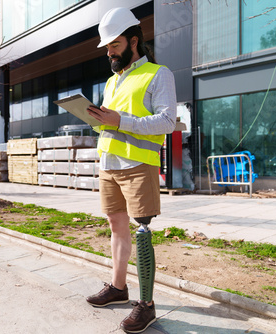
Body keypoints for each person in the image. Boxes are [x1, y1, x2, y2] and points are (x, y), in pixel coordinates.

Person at [85, 7, 176, 333]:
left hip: (138, 165)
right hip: (109, 164)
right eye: (107, 47)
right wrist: (96, 119)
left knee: (142, 232)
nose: (109, 52)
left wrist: (118, 120)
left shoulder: (159, 74)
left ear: (133, 41)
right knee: (116, 226)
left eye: (114, 45)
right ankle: (118, 288)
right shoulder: (112, 82)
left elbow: (166, 121)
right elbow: (110, 125)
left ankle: (147, 305)